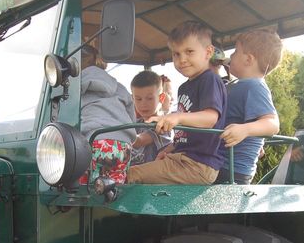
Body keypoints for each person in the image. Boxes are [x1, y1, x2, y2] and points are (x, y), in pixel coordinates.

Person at [127, 21, 227, 184]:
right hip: (181, 158)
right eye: (176, 54)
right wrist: (170, 148)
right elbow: (186, 135)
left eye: (189, 52)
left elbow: (210, 118)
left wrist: (177, 117)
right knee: (136, 170)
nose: (182, 60)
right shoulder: (184, 88)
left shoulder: (210, 80)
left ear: (208, 52)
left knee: (132, 174)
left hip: (198, 164)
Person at [215, 28, 282, 184]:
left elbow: (272, 124)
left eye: (236, 51)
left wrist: (245, 130)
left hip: (232, 169)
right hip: (223, 163)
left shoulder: (255, 86)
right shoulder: (236, 85)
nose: (230, 56)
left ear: (248, 59)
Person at [79, 45, 136, 184]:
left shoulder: (75, 89)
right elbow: (132, 118)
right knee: (114, 188)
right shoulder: (119, 87)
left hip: (94, 141)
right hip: (123, 146)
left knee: (86, 188)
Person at [129, 70, 173, 166]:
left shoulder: (162, 125)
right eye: (138, 99)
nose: (143, 104)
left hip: (153, 175)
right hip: (136, 173)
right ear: (132, 99)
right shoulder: (136, 124)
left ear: (161, 98)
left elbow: (139, 141)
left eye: (149, 98)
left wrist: (118, 134)